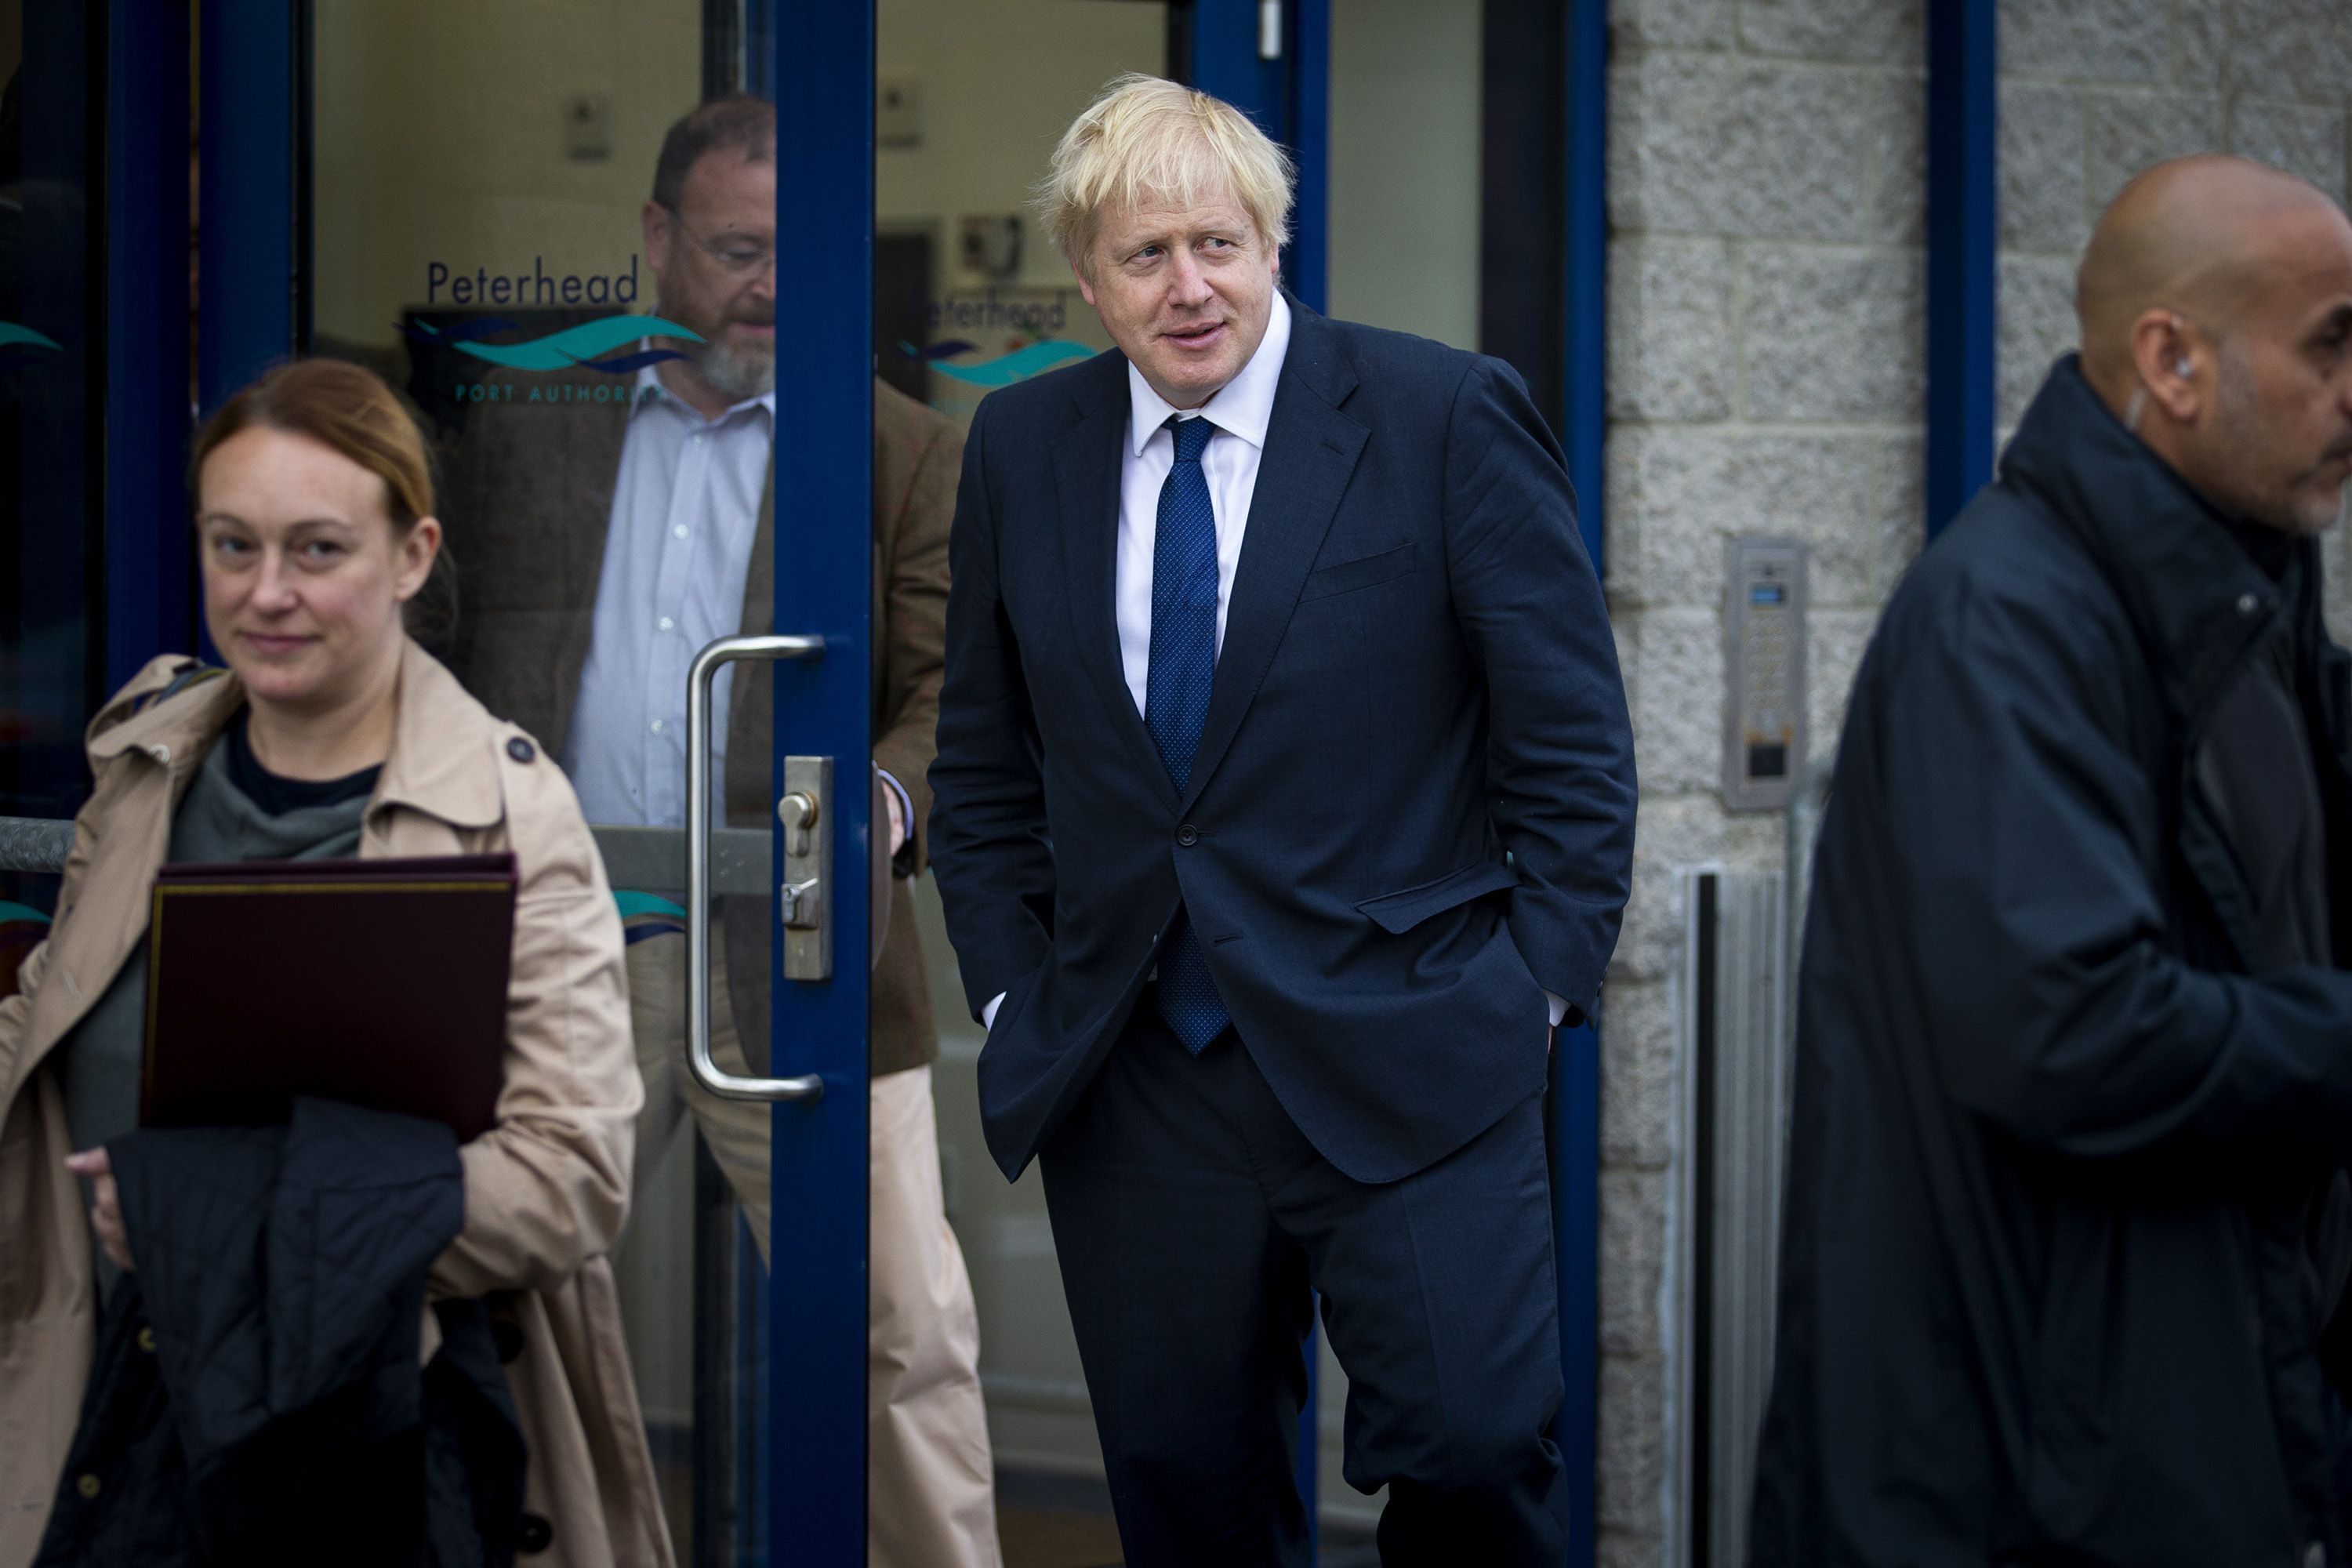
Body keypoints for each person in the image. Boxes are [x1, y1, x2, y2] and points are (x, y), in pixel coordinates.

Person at [928, 74, 1638, 1566]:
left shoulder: (1441, 414)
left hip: (1418, 1044)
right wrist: (1011, 990)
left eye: (1220, 244)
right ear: (1088, 279)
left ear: (1272, 244)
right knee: (1189, 1496)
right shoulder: (1019, 448)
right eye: (1145, 255)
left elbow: (1570, 741)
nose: (1190, 288)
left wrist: (1541, 989)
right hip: (1140, 1067)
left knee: (1478, 1446)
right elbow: (985, 771)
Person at [1751, 155, 2352, 1566]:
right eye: (2329, 344)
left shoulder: (2239, 608)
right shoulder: (2006, 625)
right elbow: (2072, 1030)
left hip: (2203, 1420)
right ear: (2175, 360)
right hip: (2028, 1476)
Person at [439, 95, 998, 1567]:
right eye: (740, 250)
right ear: (654, 240)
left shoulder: (904, 453)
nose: (770, 286)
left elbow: (955, 702)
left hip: (797, 939)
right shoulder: (519, 433)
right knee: (510, 1308)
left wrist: (874, 813)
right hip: (558, 937)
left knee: (896, 1331)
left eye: (798, 254)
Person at [0, 358, 669, 1566]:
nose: (268, 594)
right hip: (109, 1408)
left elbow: (573, 1174)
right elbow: (51, 1031)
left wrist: (220, 1220)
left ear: (411, 555)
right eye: (232, 545)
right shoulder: (146, 772)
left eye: (317, 551)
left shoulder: (510, 814)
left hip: (372, 1443)